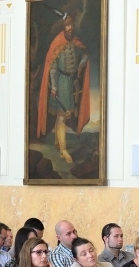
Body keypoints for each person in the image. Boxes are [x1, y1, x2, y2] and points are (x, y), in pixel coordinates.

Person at [36, 14, 90, 165]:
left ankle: (57, 143)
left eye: (71, 25)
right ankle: (63, 150)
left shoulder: (75, 43)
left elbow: (85, 53)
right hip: (60, 84)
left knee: (64, 116)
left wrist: (80, 65)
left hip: (71, 83)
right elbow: (53, 68)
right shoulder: (57, 43)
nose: (70, 28)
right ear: (63, 27)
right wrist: (54, 86)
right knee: (61, 117)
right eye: (67, 26)